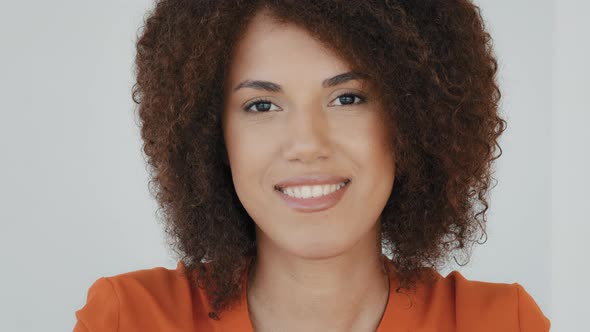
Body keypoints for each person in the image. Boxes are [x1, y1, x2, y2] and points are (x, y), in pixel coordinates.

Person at [74, 0, 551, 331]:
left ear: (413, 121)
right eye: (262, 105)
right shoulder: (128, 320)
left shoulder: (501, 323)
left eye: (347, 98)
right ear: (213, 137)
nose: (307, 144)